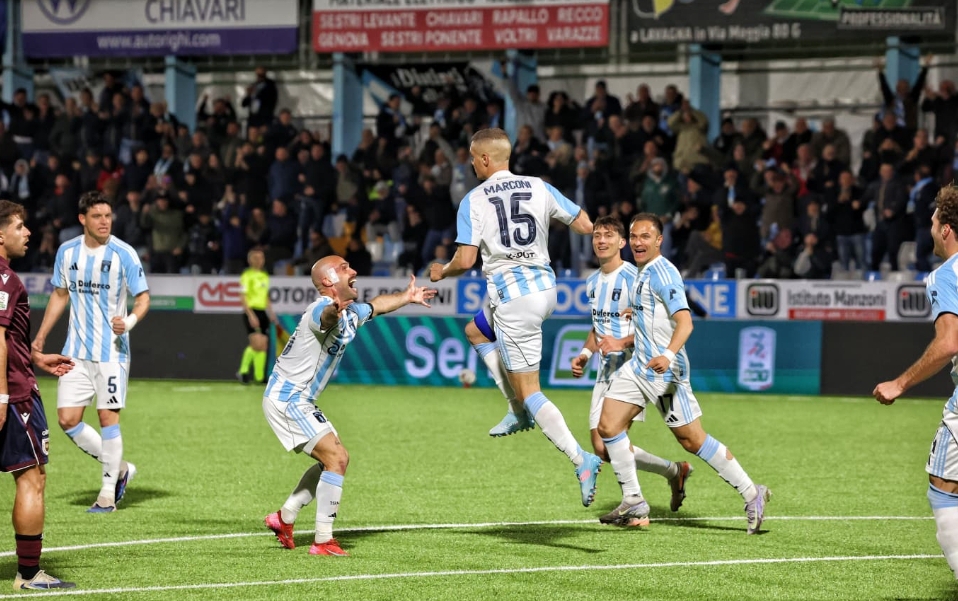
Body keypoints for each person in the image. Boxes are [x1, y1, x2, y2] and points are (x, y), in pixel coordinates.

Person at [430, 128, 603, 507]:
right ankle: (515, 411)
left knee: (531, 390)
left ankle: (581, 459)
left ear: (486, 159)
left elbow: (466, 260)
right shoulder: (539, 187)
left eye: (474, 158)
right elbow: (585, 224)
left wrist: (441, 271)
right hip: (544, 287)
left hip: (515, 299)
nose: (472, 164)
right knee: (475, 330)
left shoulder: (473, 200)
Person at [595, 213, 770, 531]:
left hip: (666, 373)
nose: (637, 242)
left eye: (645, 236)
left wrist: (667, 353)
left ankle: (751, 492)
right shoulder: (641, 271)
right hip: (639, 367)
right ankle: (634, 499)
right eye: (634, 236)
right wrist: (635, 312)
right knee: (608, 427)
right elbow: (655, 311)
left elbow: (685, 322)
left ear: (659, 240)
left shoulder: (664, 273)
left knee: (692, 441)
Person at [263, 258, 436, 556]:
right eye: (344, 268)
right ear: (329, 281)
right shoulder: (319, 310)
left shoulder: (352, 312)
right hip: (288, 398)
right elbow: (326, 317)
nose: (353, 271)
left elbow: (378, 305)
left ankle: (285, 517)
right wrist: (334, 309)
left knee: (330, 461)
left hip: (299, 399)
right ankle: (322, 541)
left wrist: (407, 297)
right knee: (337, 459)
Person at [32, 191, 149, 513]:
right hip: (76, 351)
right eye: (97, 216)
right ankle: (121, 467)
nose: (104, 222)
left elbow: (143, 298)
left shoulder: (124, 254)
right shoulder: (67, 252)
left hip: (112, 353)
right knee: (67, 420)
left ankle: (107, 494)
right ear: (82, 219)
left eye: (108, 216)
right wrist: (41, 336)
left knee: (107, 417)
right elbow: (59, 294)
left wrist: (129, 321)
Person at [570, 215, 692, 511]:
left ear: (622, 243)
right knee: (602, 449)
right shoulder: (591, 282)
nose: (601, 240)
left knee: (610, 440)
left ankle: (636, 505)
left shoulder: (634, 278)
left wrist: (623, 344)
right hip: (604, 371)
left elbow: (651, 328)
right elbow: (598, 326)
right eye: (597, 235)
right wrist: (586, 355)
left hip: (633, 369)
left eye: (609, 236)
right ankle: (674, 471)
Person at [874, 185, 958, 578]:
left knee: (944, 486)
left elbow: (948, 343)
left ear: (946, 229)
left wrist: (899, 383)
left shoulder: (947, 274)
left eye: (934, 219)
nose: (929, 225)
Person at [0, 200, 77, 590]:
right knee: (32, 478)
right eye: (18, 226)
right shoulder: (5, 280)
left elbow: (8, 338)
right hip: (13, 397)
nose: (27, 232)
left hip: (13, 382)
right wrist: (1, 397)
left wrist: (36, 356)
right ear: (0, 235)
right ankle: (29, 575)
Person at [237, 248, 278, 385]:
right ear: (250, 260)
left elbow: (266, 296)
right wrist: (250, 315)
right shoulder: (246, 276)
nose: (260, 261)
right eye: (257, 258)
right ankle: (242, 372)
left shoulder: (265, 276)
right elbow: (243, 296)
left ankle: (259, 377)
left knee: (263, 345)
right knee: (256, 344)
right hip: (252, 311)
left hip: (262, 312)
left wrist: (271, 313)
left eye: (262, 258)